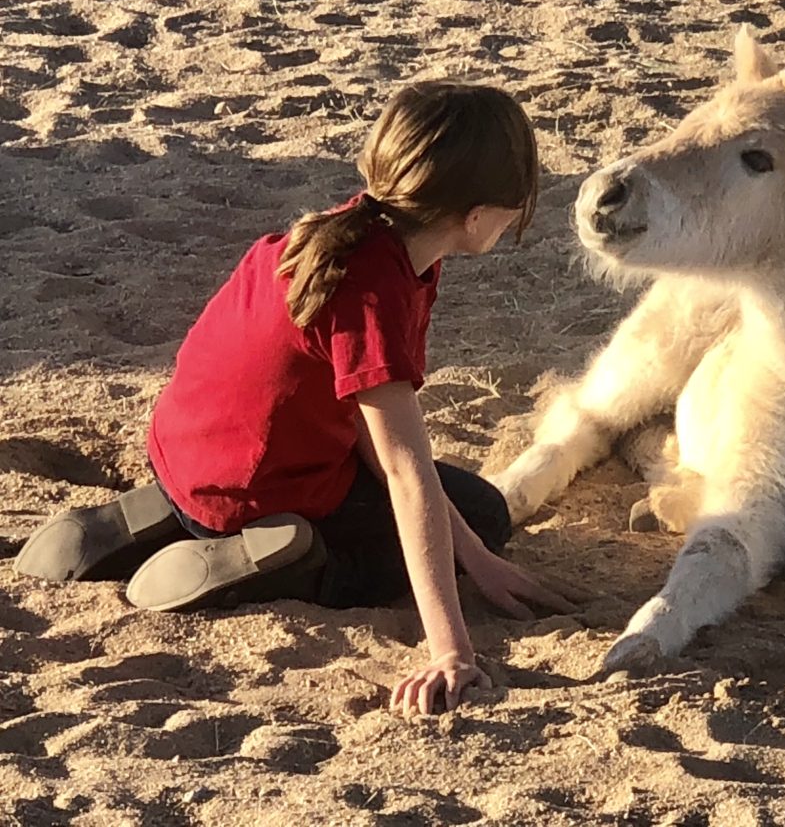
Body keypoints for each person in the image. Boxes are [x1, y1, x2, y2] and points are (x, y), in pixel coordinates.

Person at [15, 80, 575, 716]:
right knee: (485, 512)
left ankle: (166, 515)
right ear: (475, 218)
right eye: (511, 211)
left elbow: (360, 409)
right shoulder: (375, 290)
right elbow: (404, 472)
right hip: (260, 488)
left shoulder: (347, 230)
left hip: (187, 453)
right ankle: (284, 560)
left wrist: (470, 554)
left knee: (470, 523)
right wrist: (451, 649)